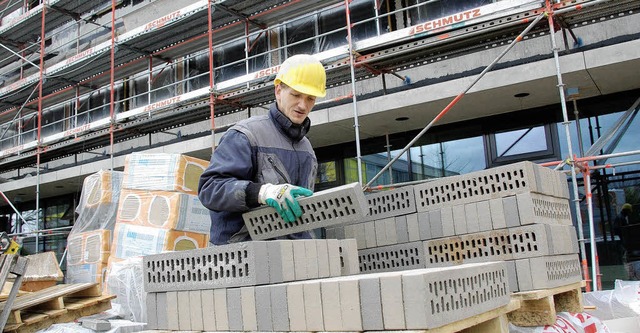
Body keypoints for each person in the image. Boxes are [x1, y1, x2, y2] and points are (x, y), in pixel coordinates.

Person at [198, 54, 326, 245]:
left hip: (291, 255)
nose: (303, 105)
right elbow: (210, 189)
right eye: (296, 95)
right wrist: (262, 193)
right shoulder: (246, 135)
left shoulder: (306, 148)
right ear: (278, 91)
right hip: (241, 256)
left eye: (310, 98)